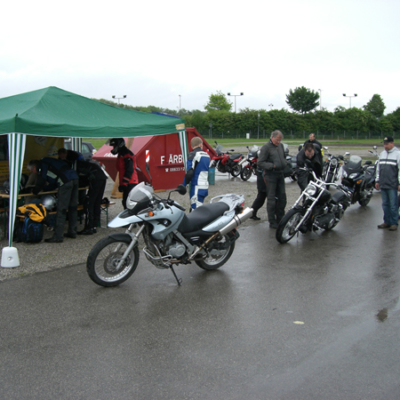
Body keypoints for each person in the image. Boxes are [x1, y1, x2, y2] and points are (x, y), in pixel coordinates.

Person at [27, 158, 79, 243]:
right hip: (74, 177)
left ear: (34, 167)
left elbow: (41, 180)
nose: (33, 172)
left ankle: (58, 236)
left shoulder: (42, 165)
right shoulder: (49, 163)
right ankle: (72, 232)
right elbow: (54, 182)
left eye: (32, 170)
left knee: (61, 209)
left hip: (65, 181)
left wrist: (35, 191)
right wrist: (45, 189)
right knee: (73, 207)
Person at [257, 130, 287, 229]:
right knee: (271, 198)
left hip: (280, 174)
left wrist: (285, 164)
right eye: (277, 140)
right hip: (270, 175)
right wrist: (272, 166)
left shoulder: (281, 146)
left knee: (282, 197)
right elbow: (260, 162)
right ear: (272, 137)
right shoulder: (266, 147)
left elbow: (283, 157)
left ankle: (280, 218)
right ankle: (272, 221)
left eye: (280, 140)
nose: (278, 142)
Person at [375, 136, 400, 231]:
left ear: (392, 144)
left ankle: (394, 223)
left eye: (387, 144)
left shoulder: (398, 154)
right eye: (384, 144)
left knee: (393, 205)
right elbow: (379, 169)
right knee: (385, 204)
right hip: (383, 183)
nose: (385, 146)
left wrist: (399, 183)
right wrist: (377, 180)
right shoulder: (382, 154)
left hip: (392, 184)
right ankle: (387, 221)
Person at [76, 160, 108, 235]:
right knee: (97, 202)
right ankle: (94, 225)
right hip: (102, 177)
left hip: (96, 178)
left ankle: (89, 227)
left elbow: (82, 179)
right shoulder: (85, 163)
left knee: (89, 203)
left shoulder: (76, 166)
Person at [107, 138, 138, 209]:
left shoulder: (127, 154)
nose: (113, 148)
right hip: (127, 183)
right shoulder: (121, 154)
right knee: (125, 202)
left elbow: (129, 170)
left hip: (131, 182)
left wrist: (124, 183)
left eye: (114, 146)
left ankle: (131, 218)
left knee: (128, 203)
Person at [183, 137, 210, 209]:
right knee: (198, 208)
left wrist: (183, 185)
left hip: (196, 186)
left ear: (191, 146)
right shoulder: (207, 155)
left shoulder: (193, 154)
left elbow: (190, 172)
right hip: (205, 186)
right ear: (201, 144)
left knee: (196, 211)